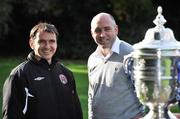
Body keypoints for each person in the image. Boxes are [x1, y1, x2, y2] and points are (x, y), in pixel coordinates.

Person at [2, 22, 83, 119]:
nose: (47, 46)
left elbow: (76, 112)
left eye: (52, 41)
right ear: (32, 44)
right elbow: (11, 115)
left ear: (56, 43)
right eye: (42, 41)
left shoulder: (66, 73)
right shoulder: (19, 75)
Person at [88, 12, 144, 119]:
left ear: (116, 29)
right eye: (97, 30)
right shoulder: (92, 59)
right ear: (92, 33)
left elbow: (145, 92)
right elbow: (92, 94)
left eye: (107, 29)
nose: (102, 34)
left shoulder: (131, 54)